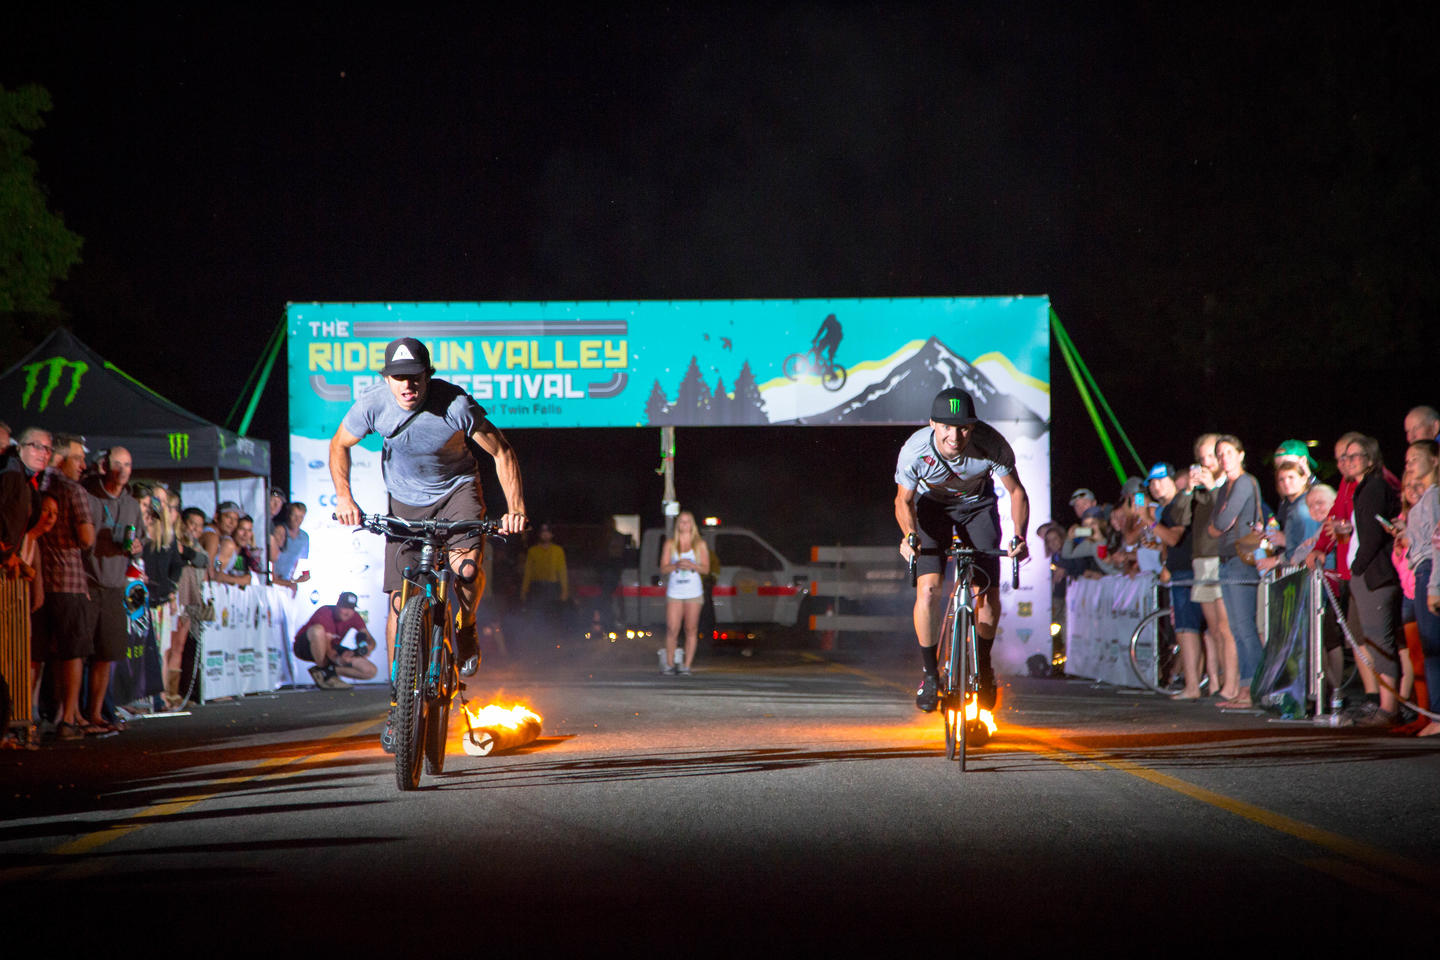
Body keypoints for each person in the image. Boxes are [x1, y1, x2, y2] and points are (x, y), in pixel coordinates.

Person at [329, 337, 527, 749]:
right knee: (400, 604)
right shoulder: (372, 405)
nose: (407, 387)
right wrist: (344, 498)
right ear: (386, 379)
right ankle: (399, 703)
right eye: (398, 378)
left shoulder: (455, 405)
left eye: (414, 378)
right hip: (405, 501)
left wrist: (516, 509)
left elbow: (502, 452)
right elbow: (339, 445)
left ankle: (467, 627)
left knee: (466, 569)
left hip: (457, 492)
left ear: (427, 376)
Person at [895, 388, 1029, 717]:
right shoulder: (915, 450)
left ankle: (983, 667)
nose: (955, 436)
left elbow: (1016, 492)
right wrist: (909, 534)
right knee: (928, 590)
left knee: (986, 592)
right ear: (933, 425)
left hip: (977, 508)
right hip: (931, 511)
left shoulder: (992, 444)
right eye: (946, 427)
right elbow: (903, 500)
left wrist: (1019, 536)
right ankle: (929, 676)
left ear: (974, 427)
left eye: (964, 428)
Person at [1328, 435, 1402, 726]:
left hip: (1374, 574)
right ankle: (1382, 705)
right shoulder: (1360, 488)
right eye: (1345, 457)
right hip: (1365, 574)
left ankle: (1389, 708)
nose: (1348, 461)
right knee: (1369, 640)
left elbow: (1371, 536)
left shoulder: (1373, 487)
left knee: (1380, 640)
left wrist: (1357, 566)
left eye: (1355, 456)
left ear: (1370, 459)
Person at [36, 434, 96, 739]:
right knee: (72, 652)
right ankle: (69, 719)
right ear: (61, 459)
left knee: (43, 653)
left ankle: (35, 715)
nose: (84, 466)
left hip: (37, 581)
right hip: (68, 580)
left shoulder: (38, 486)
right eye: (78, 458)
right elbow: (86, 539)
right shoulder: (73, 490)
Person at [82, 446, 143, 734]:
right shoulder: (89, 494)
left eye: (128, 465)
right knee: (78, 653)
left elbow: (139, 539)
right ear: (105, 466)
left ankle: (96, 714)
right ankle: (68, 716)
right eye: (117, 464)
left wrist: (138, 546)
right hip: (86, 581)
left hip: (115, 584)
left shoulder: (132, 505)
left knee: (106, 654)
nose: (123, 470)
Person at [1206, 435, 1266, 709]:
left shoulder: (1244, 482)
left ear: (1241, 454)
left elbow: (1221, 521)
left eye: (1228, 452)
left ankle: (1252, 688)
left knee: (1244, 627)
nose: (1223, 458)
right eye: (1219, 454)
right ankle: (1245, 687)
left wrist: (1221, 524)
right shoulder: (1224, 488)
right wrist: (1220, 525)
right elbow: (1215, 524)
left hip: (1242, 558)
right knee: (1237, 629)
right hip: (1226, 557)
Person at [1149, 463, 1207, 698]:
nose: (1156, 486)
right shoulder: (1169, 508)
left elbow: (1173, 538)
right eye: (1152, 483)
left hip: (1189, 571)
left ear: (1176, 481)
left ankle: (1195, 685)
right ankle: (1197, 684)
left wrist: (1148, 521)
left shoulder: (1180, 505)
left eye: (1162, 480)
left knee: (1189, 629)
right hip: (1180, 570)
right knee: (1187, 629)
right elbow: (1167, 546)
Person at [1188, 434, 1236, 703]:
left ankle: (1233, 685)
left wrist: (1213, 487)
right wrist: (1188, 490)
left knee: (1226, 627)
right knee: (1213, 629)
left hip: (1221, 558)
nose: (1208, 462)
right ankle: (1217, 682)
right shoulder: (1201, 488)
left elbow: (1229, 515)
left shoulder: (1231, 483)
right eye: (1203, 457)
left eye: (1213, 455)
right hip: (1201, 558)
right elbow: (1184, 518)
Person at [293, 591, 378, 689]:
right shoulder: (325, 612)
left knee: (370, 671)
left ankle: (325, 672)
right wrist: (338, 659)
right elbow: (328, 648)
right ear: (337, 605)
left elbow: (371, 640)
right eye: (345, 607)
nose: (348, 612)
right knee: (318, 631)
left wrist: (362, 650)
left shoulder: (354, 616)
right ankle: (325, 672)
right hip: (304, 647)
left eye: (351, 608)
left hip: (332, 647)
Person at [659, 510, 709, 676]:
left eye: (688, 521)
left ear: (692, 525)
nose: (684, 524)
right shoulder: (670, 544)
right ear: (677, 524)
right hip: (675, 592)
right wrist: (676, 565)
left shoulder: (700, 544)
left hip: (693, 592)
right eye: (681, 521)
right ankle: (669, 664)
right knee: (672, 628)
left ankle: (686, 665)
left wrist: (693, 566)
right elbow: (664, 568)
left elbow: (706, 569)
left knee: (691, 628)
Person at [521, 522, 568, 625]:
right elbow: (528, 572)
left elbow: (562, 571)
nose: (545, 535)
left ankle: (551, 638)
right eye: (543, 532)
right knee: (536, 616)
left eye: (548, 532)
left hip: (552, 588)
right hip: (537, 587)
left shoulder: (558, 550)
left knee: (552, 617)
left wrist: (564, 591)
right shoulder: (532, 551)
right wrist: (524, 590)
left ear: (552, 535)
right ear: (539, 534)